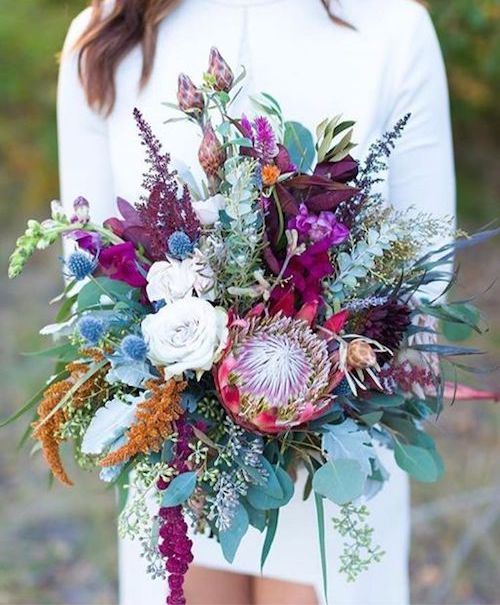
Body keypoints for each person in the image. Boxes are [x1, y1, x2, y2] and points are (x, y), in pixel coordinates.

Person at [57, 0, 455, 603]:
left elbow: (428, 267)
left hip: (332, 449)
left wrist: (307, 367)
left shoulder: (390, 26)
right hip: (183, 453)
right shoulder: (108, 33)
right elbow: (87, 266)